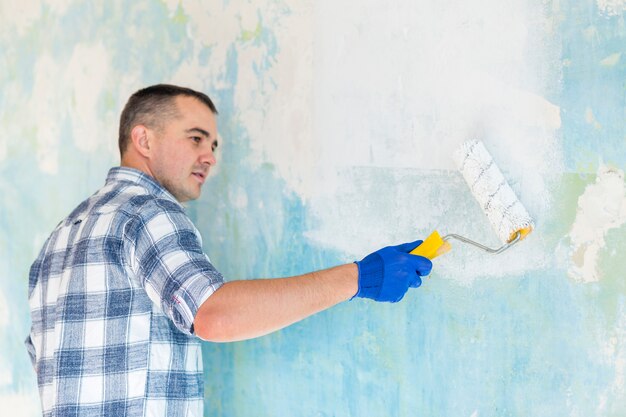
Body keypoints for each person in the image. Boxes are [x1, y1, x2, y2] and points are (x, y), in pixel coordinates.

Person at [25, 84, 433, 416]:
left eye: (214, 145)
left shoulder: (59, 239)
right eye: (196, 138)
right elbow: (213, 314)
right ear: (144, 139)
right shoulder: (147, 213)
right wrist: (360, 277)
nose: (210, 157)